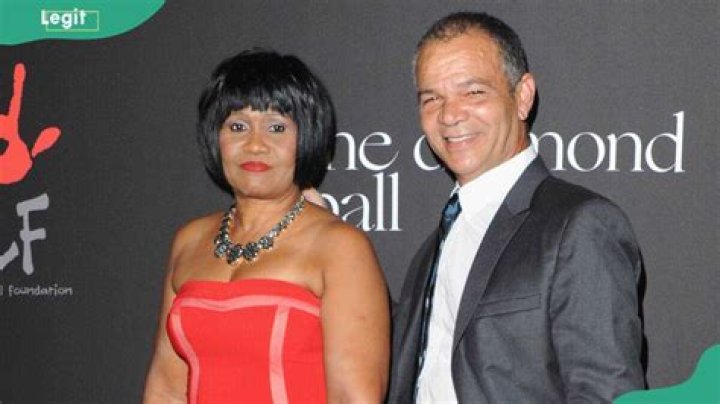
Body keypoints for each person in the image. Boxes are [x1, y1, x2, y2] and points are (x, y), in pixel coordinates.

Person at [388, 12, 645, 403]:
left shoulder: (579, 226)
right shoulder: (431, 252)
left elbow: (606, 392)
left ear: (522, 96)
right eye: (432, 98)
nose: (450, 114)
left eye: (473, 92)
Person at [143, 49, 389, 403]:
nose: (255, 145)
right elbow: (166, 388)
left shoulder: (339, 246)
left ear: (306, 138)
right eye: (237, 126)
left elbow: (353, 398)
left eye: (276, 127)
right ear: (216, 138)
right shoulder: (190, 240)